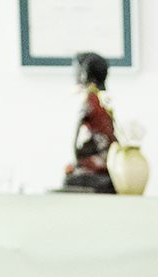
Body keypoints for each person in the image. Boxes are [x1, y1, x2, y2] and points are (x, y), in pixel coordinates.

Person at [62, 51, 116, 193]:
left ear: (85, 74)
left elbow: (79, 140)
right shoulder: (102, 100)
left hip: (97, 168)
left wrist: (77, 163)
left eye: (77, 70)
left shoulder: (91, 100)